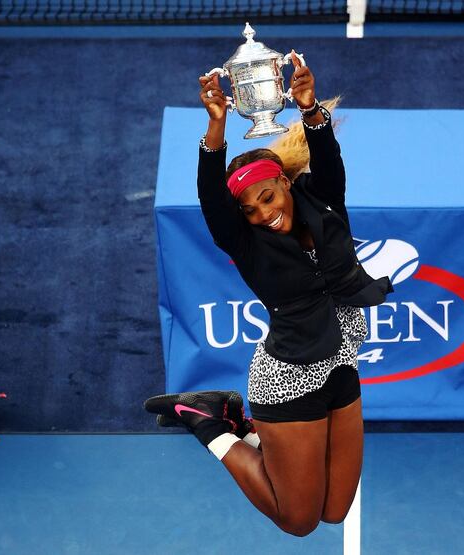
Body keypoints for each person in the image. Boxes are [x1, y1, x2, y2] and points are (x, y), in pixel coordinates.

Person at [144, 52, 392, 537]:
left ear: (283, 182)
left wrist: (308, 106)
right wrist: (215, 127)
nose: (262, 214)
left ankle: (243, 423)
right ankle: (206, 419)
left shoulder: (324, 202)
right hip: (288, 379)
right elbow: (212, 198)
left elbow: (327, 157)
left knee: (335, 510)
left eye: (267, 198)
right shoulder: (246, 243)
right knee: (298, 520)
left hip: (341, 364)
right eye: (249, 209)